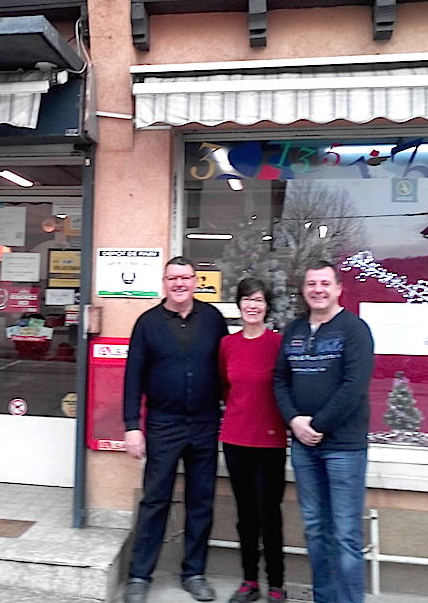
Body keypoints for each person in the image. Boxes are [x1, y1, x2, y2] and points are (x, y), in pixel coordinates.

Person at [123, 256, 230, 603]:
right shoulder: (147, 323)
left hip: (204, 423)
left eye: (185, 278)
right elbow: (132, 377)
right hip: (162, 425)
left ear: (196, 281)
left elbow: (228, 369)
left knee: (201, 502)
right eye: (173, 278)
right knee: (155, 501)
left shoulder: (213, 320)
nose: (179, 283)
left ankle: (194, 572)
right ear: (164, 283)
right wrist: (131, 426)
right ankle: (140, 575)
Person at [272, 261, 375, 603]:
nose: (318, 289)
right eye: (311, 284)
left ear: (338, 288)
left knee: (345, 533)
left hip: (344, 448)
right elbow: (280, 380)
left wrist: (316, 425)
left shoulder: (354, 329)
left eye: (325, 283)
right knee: (316, 530)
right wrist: (293, 421)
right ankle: (323, 598)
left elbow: (354, 386)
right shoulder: (294, 331)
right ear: (303, 290)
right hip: (304, 447)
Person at [219, 278, 288, 603]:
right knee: (245, 515)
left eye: (259, 300)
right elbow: (225, 387)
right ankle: (249, 581)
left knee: (269, 514)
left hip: (270, 441)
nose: (252, 305)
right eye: (247, 299)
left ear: (266, 306)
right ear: (239, 304)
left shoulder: (278, 344)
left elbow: (286, 389)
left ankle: (276, 584)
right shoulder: (228, 345)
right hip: (235, 439)